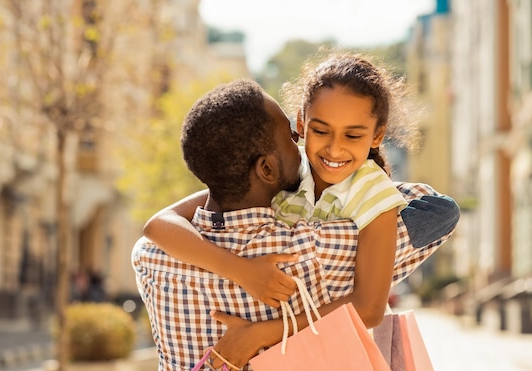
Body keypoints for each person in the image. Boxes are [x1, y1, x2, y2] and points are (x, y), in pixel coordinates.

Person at [132, 78, 458, 371]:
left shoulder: (152, 256)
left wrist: (239, 269)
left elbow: (157, 225)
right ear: (267, 169)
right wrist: (357, 177)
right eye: (291, 136)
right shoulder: (319, 247)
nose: (300, 146)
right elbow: (438, 212)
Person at [143, 51, 457, 311]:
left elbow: (369, 308)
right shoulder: (288, 175)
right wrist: (242, 272)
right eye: (321, 131)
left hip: (324, 349)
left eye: (353, 135)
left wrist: (263, 333)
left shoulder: (372, 192)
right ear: (302, 124)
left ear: (376, 135)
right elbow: (159, 225)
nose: (334, 148)